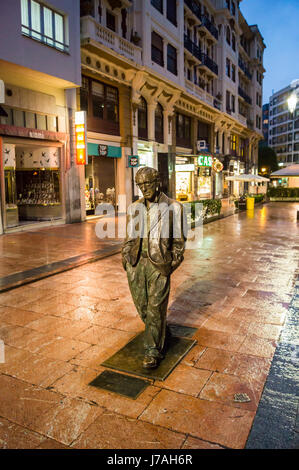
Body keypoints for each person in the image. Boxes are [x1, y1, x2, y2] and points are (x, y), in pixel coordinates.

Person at [121, 167, 186, 369]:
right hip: (136, 263)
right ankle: (159, 329)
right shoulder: (134, 208)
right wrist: (125, 258)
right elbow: (128, 238)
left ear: (157, 182)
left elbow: (179, 243)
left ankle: (153, 350)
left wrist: (169, 265)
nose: (144, 188)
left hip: (158, 265)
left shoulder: (174, 207)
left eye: (148, 183)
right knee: (142, 306)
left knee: (155, 307)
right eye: (140, 185)